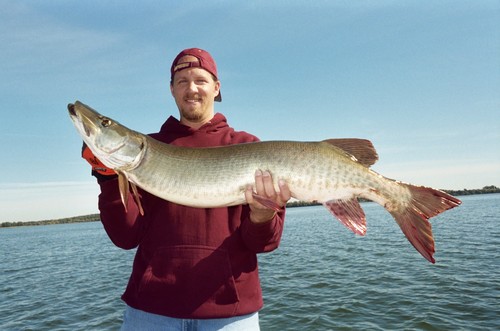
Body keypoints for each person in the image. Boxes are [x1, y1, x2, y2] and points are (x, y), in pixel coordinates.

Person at [82, 48, 291, 330]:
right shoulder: (149, 150)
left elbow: (264, 243)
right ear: (171, 89)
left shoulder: (248, 146)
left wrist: (263, 215)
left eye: (200, 80)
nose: (191, 89)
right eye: (182, 81)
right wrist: (107, 178)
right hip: (151, 312)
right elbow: (125, 236)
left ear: (216, 88)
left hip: (230, 314)